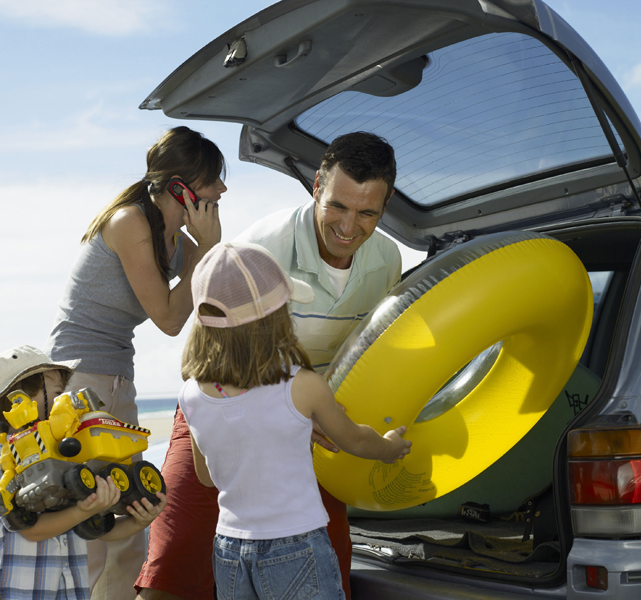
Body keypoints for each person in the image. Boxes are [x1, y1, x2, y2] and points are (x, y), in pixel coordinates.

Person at [136, 132, 401, 600]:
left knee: (329, 557)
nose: (348, 226)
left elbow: (369, 351)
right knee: (174, 564)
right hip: (222, 398)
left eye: (367, 214)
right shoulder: (261, 248)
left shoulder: (386, 261)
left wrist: (314, 412)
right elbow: (202, 344)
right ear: (317, 185)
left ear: (386, 206)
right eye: (337, 205)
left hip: (305, 407)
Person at [45, 126, 226, 600]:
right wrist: (204, 252)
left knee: (130, 524)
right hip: (81, 381)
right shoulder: (129, 222)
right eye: (214, 181)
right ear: (181, 187)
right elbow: (168, 317)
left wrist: (206, 254)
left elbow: (203, 301)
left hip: (117, 380)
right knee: (92, 525)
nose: (222, 191)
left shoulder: (179, 244)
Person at [179, 242, 411, 600]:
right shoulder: (302, 387)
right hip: (295, 546)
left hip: (229, 549)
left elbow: (207, 477)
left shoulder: (191, 395)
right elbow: (356, 441)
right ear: (275, 320)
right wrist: (390, 447)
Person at [0, 345, 168, 600]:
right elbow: (31, 529)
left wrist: (139, 521)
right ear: (18, 402)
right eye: (57, 393)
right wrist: (84, 510)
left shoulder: (63, 462)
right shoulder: (1, 464)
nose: (64, 400)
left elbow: (98, 529)